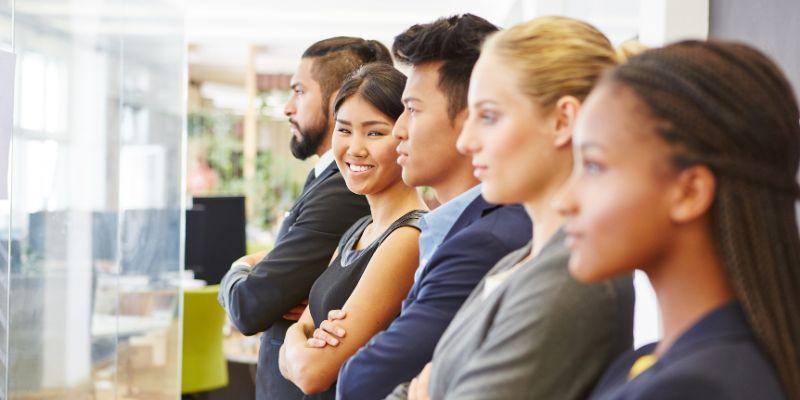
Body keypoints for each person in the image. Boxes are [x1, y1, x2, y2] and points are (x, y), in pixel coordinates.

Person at [402, 16, 636, 400]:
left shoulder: (573, 277)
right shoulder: (521, 261)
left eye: (489, 116)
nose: (467, 141)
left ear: (563, 120)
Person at [556, 40, 798, 399]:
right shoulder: (650, 362)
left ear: (689, 192)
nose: (564, 200)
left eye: (593, 166)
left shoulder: (695, 386)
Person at [306, 15, 532, 400]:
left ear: (470, 117)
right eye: (344, 129)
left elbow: (360, 381)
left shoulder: (486, 239)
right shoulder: (449, 227)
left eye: (412, 109)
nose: (399, 131)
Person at [217, 37, 391, 400]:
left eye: (299, 91)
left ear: (337, 99)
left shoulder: (343, 193)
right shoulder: (329, 185)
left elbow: (249, 305)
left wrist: (239, 266)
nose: (286, 107)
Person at [278, 63, 428, 399]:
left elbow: (311, 373)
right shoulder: (359, 229)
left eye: (374, 133)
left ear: (404, 134)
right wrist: (298, 336)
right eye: (344, 130)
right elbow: (300, 335)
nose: (355, 148)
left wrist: (300, 338)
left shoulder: (408, 236)